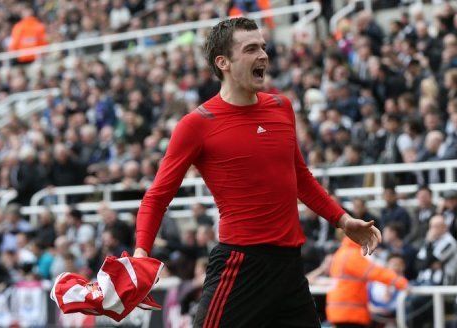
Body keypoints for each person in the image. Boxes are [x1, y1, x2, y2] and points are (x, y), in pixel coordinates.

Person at [133, 17, 381, 328]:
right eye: (251, 49)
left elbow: (300, 178)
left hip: (290, 267)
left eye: (263, 47)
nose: (263, 55)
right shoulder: (196, 124)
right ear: (223, 62)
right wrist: (141, 254)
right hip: (240, 265)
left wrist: (343, 220)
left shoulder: (281, 106)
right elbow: (156, 197)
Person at [326, 237, 408, 328]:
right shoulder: (352, 255)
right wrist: (401, 282)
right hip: (350, 311)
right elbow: (375, 272)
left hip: (341, 310)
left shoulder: (341, 253)